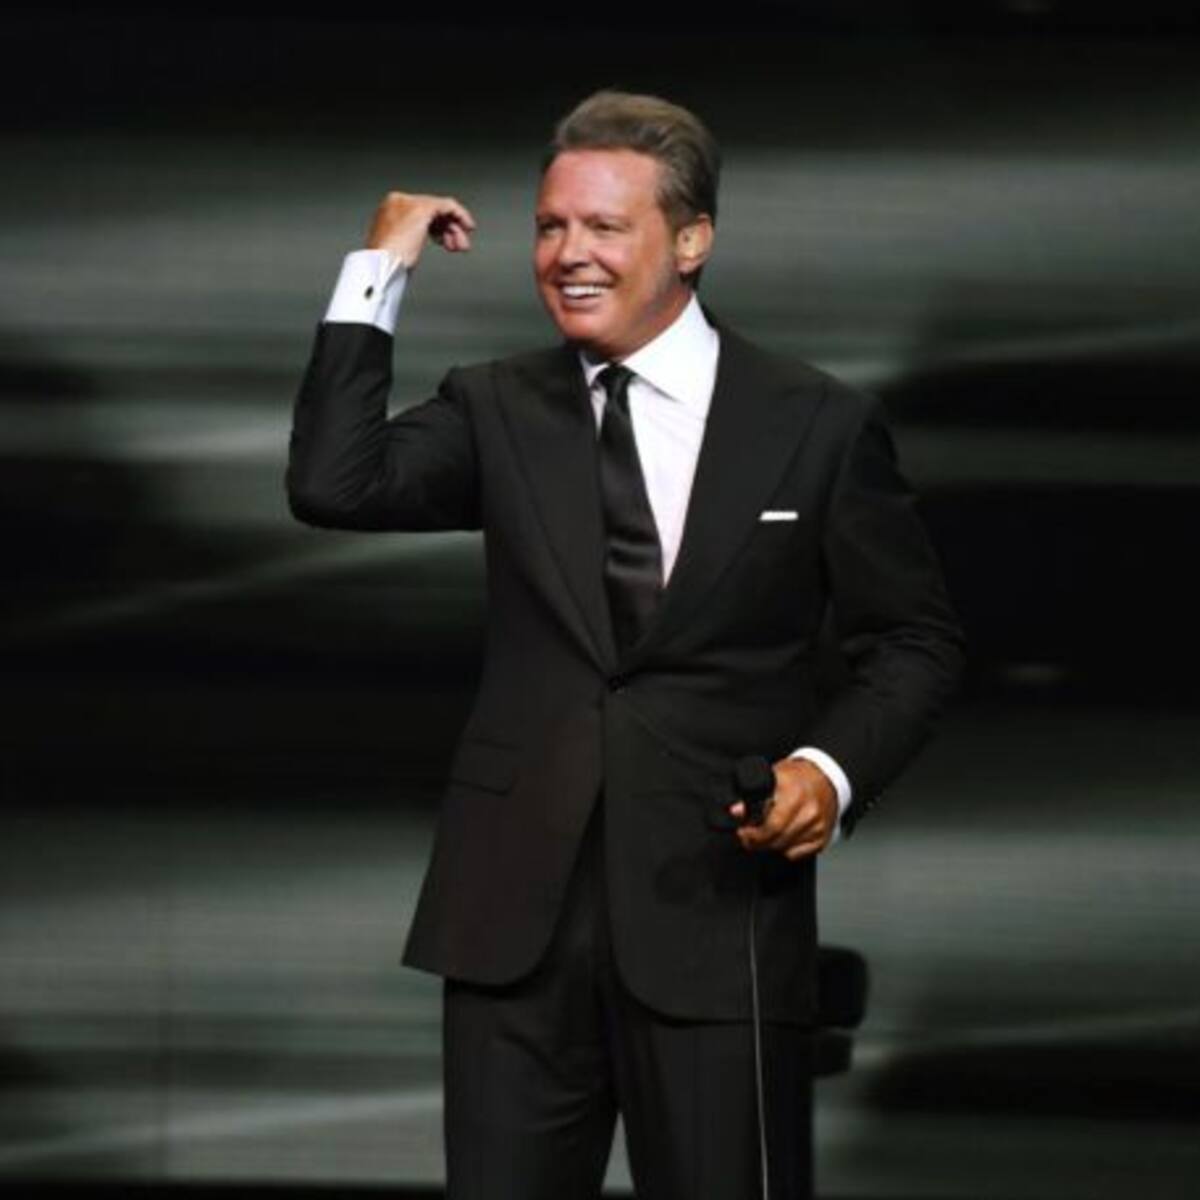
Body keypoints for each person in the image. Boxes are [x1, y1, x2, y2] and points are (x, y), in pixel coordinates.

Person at [287, 90, 964, 1200]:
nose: (569, 254)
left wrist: (828, 772)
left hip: (719, 915)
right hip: (511, 922)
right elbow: (333, 482)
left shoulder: (815, 422)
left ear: (691, 241)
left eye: (604, 226)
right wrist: (380, 267)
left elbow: (915, 640)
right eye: (550, 227)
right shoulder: (498, 406)